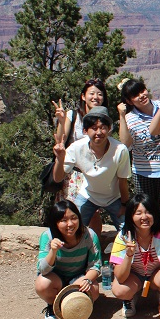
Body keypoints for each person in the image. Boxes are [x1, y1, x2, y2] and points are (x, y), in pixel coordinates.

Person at [52, 106, 131, 233]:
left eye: (103, 128)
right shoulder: (77, 148)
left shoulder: (120, 150)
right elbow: (58, 178)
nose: (99, 132)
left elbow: (123, 180)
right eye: (94, 128)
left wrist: (124, 205)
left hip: (114, 197)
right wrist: (60, 159)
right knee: (73, 229)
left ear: (109, 129)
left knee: (128, 232)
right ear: (85, 130)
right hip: (88, 195)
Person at [109, 194, 160, 319]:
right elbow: (120, 276)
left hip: (155, 274)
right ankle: (130, 297)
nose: (144, 217)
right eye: (138, 213)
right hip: (134, 275)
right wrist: (128, 255)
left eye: (148, 212)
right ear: (131, 217)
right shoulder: (124, 236)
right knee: (119, 289)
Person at [36, 200, 101, 319]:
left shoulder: (90, 235)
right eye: (63, 220)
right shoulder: (48, 236)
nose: (70, 224)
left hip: (78, 276)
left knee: (94, 290)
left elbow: (96, 265)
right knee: (41, 284)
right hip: (56, 277)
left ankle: (75, 304)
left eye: (74, 218)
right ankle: (53, 305)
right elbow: (42, 269)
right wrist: (53, 251)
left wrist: (87, 280)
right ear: (55, 223)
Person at [52, 78, 109, 220]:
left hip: (94, 173)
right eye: (92, 93)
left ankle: (94, 241)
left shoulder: (105, 118)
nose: (96, 97)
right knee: (71, 212)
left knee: (94, 214)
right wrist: (61, 120)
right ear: (83, 96)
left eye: (100, 94)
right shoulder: (73, 115)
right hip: (74, 174)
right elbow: (61, 139)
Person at [117, 78, 160, 213]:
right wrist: (122, 116)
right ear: (129, 101)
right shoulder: (130, 119)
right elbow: (125, 144)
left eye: (142, 91)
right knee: (147, 211)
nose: (141, 96)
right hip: (142, 173)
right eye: (135, 95)